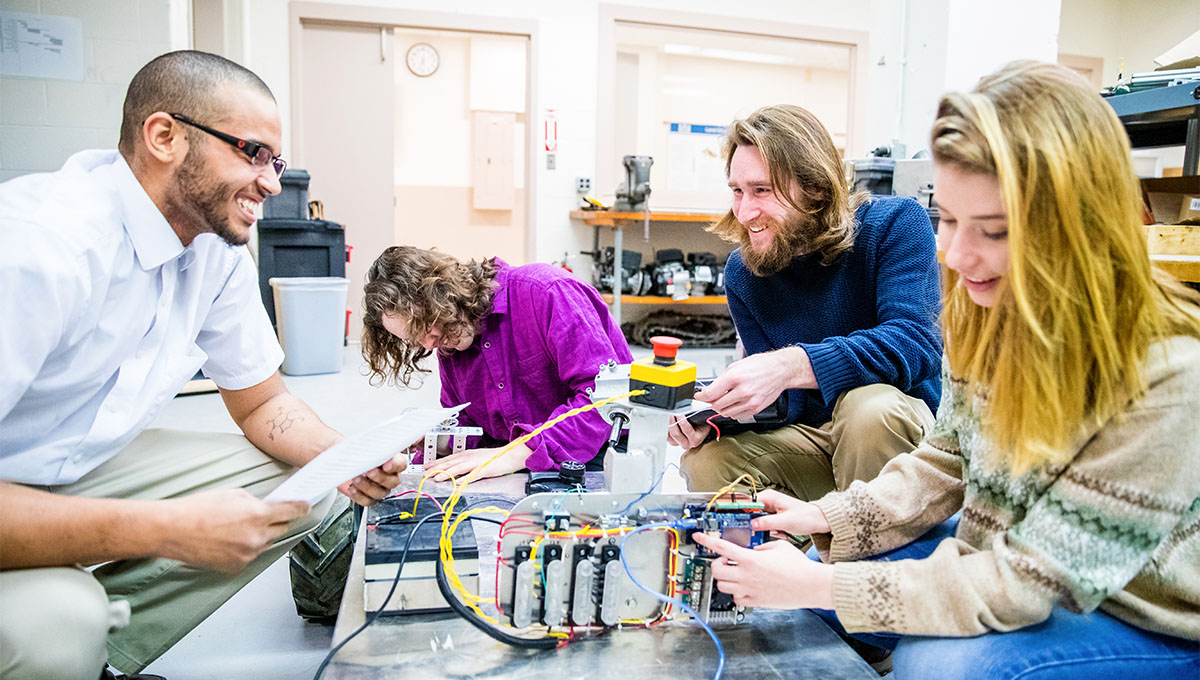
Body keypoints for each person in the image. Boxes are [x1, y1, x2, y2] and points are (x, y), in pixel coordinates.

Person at [692, 61, 1200, 679]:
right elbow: (943, 461)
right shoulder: (995, 317)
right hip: (1003, 555)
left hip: (1135, 615)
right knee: (815, 586)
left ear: (1081, 227)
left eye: (991, 229)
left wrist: (824, 587)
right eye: (951, 221)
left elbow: (1026, 582)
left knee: (938, 664)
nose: (957, 257)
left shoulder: (1169, 374)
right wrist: (826, 517)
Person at [0, 51, 410, 680]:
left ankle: (98, 660)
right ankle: (67, 645)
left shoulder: (212, 253)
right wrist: (163, 529)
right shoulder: (37, 247)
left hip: (65, 462)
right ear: (164, 136)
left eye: (275, 162)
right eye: (253, 153)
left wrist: (346, 455)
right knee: (61, 620)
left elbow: (264, 404)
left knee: (306, 486)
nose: (273, 183)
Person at [668, 104, 942, 502]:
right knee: (707, 461)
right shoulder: (745, 273)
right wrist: (717, 419)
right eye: (737, 191)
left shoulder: (895, 225)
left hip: (892, 429)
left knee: (865, 408)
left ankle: (868, 555)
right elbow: (786, 404)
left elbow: (914, 345)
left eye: (762, 190)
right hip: (815, 437)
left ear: (814, 188)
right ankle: (786, 549)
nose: (745, 212)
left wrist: (791, 364)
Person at [361, 246, 633, 481]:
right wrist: (438, 440)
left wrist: (516, 453)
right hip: (517, 462)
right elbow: (470, 422)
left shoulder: (546, 292)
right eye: (415, 339)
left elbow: (607, 401)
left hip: (598, 454)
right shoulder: (451, 339)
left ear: (443, 295)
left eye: (425, 327)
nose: (428, 345)